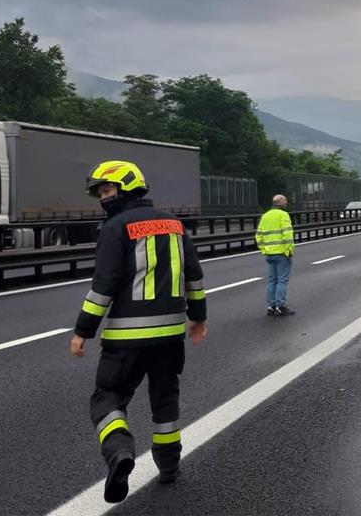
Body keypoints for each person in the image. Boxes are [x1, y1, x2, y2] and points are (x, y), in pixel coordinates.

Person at [70, 160, 208, 504]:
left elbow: (104, 285)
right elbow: (194, 275)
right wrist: (198, 317)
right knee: (165, 398)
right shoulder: (174, 225)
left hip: (126, 337)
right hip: (170, 335)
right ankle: (169, 466)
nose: (103, 198)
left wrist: (83, 331)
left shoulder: (115, 228)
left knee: (107, 397)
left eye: (107, 190)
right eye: (100, 192)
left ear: (127, 188)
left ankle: (120, 451)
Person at [256, 194, 295, 316]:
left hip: (269, 254)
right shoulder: (283, 215)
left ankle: (271, 306)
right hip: (282, 253)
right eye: (285, 201)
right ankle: (280, 306)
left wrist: (264, 249)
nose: (286, 203)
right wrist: (289, 250)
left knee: (272, 280)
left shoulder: (265, 216)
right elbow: (287, 234)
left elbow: (258, 235)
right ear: (281, 202)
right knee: (282, 281)